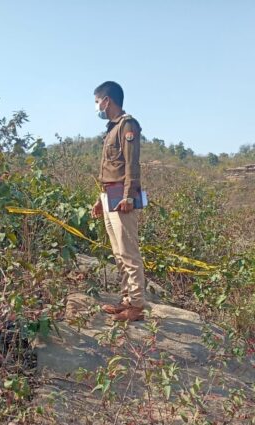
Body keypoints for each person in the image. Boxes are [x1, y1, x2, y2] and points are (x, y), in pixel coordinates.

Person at [91, 81, 146, 322]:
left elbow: (132, 164)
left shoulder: (127, 125)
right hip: (109, 195)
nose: (96, 106)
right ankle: (126, 299)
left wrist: (128, 196)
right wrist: (100, 199)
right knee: (118, 252)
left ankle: (137, 305)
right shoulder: (111, 128)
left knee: (129, 252)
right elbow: (111, 168)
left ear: (107, 100)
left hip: (122, 196)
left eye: (97, 101)